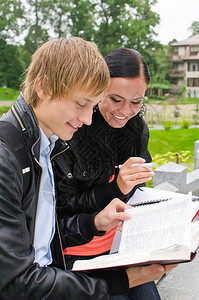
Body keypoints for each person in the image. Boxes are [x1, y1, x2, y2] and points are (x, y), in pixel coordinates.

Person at [0, 38, 176, 299]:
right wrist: (120, 282)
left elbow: (49, 238)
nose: (87, 119)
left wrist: (95, 222)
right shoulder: (14, 155)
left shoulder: (45, 144)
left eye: (92, 107)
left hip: (67, 268)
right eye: (82, 105)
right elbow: (19, 283)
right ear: (44, 86)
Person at [53, 48, 161, 299]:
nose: (125, 111)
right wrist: (116, 189)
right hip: (78, 253)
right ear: (98, 88)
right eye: (115, 99)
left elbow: (136, 187)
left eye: (136, 101)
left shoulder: (136, 128)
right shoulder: (74, 128)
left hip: (123, 246)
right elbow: (63, 207)